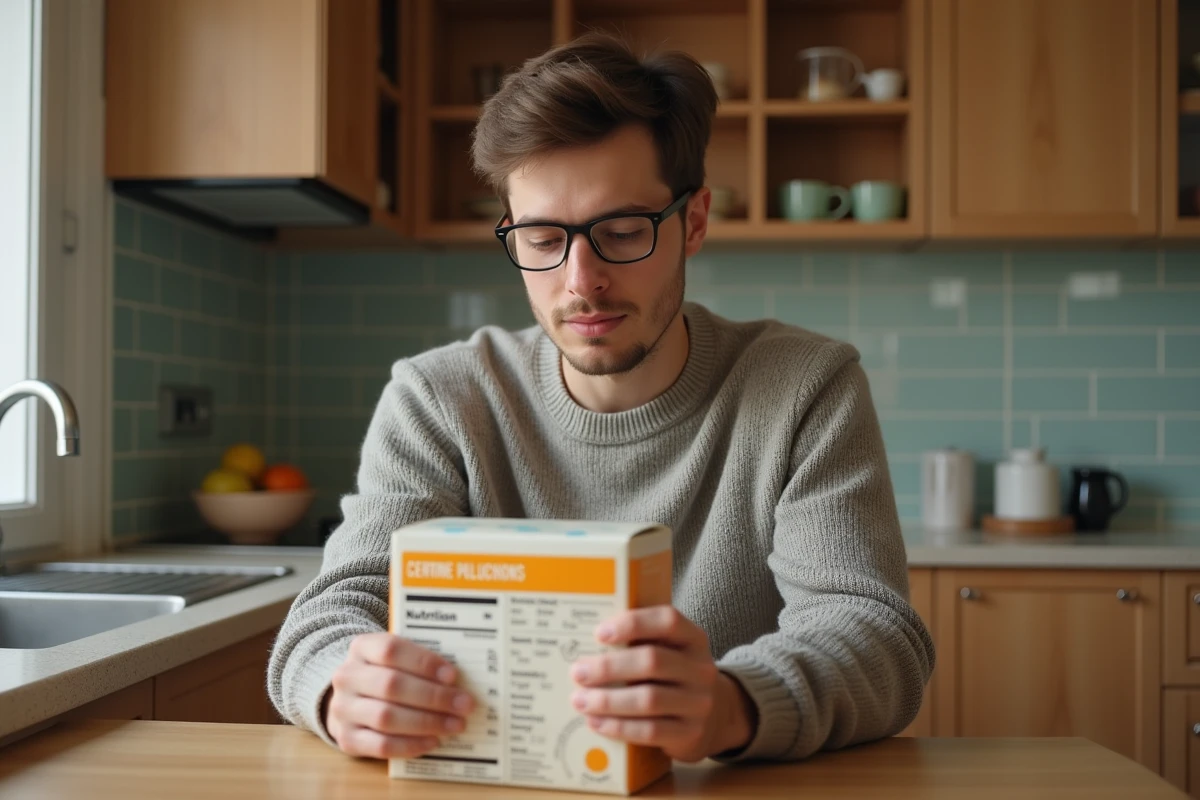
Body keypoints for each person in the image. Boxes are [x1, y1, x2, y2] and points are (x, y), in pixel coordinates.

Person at [267, 32, 934, 765]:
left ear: (695, 221)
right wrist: (341, 690)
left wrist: (733, 705)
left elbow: (875, 635)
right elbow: (331, 612)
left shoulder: (806, 388)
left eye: (622, 231)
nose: (581, 280)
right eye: (543, 238)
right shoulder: (439, 398)